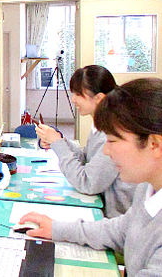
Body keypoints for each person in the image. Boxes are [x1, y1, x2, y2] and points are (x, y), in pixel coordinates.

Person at [22, 78, 162, 276]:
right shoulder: (147, 188)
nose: (105, 150)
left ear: (154, 144)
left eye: (112, 140)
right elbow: (122, 229)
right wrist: (56, 229)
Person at [35, 65, 135, 217]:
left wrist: (58, 144)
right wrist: (59, 140)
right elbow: (88, 160)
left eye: (78, 94)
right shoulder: (100, 124)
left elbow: (87, 183)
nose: (73, 99)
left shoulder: (112, 132)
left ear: (99, 98)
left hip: (113, 218)